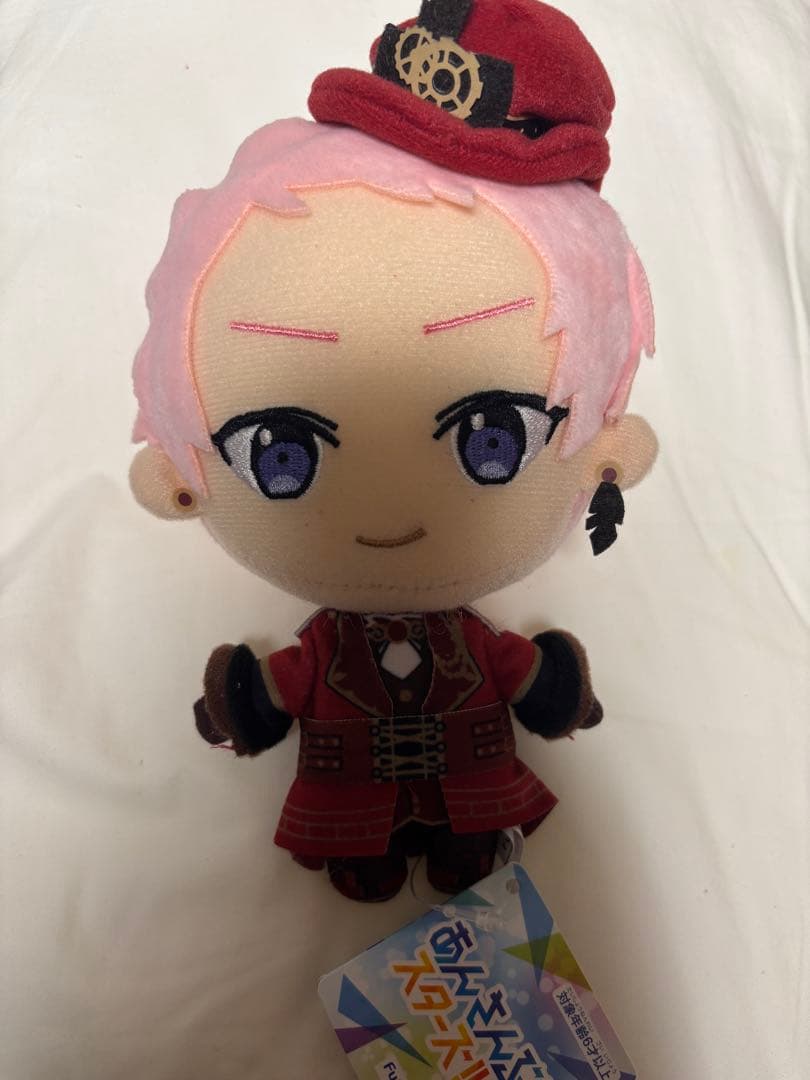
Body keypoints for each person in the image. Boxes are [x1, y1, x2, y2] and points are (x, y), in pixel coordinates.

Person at [129, 1, 657, 901]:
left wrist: (554, 689)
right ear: (182, 475)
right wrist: (245, 704)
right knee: (363, 860)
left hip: (471, 789)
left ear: (605, 449)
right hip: (353, 799)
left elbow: (517, 672)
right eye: (281, 452)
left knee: (466, 854)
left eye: (494, 438)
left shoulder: (445, 642)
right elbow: (287, 686)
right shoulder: (357, 644)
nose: (386, 512)